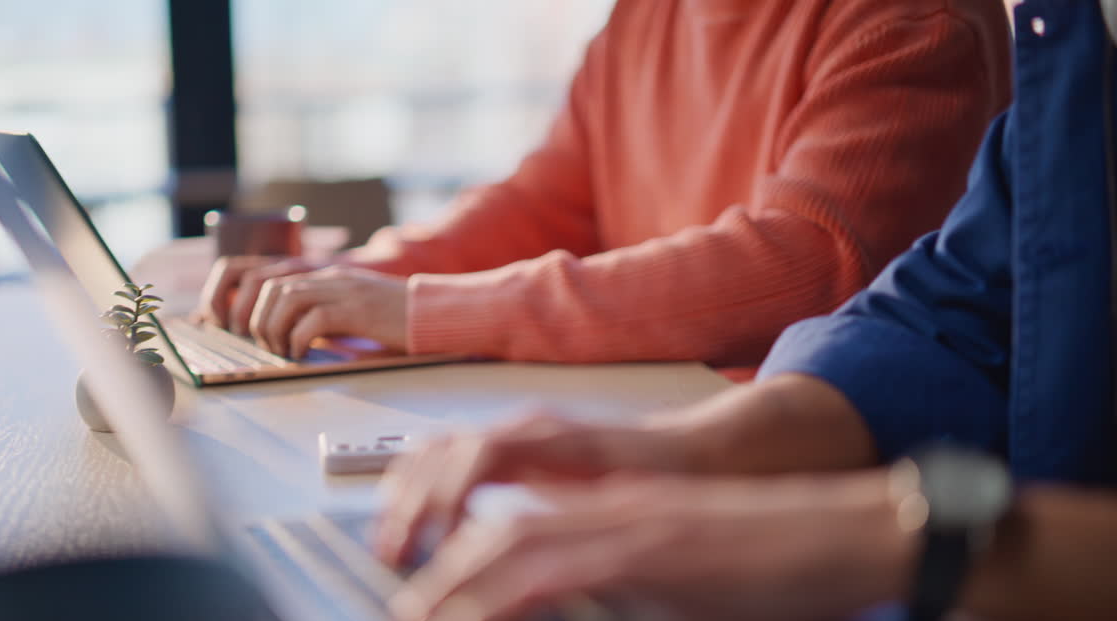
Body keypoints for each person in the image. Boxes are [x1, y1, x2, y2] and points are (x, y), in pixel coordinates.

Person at [370, 0, 1117, 621]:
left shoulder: (926, 18)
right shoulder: (1083, 33)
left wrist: (863, 534)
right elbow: (955, 311)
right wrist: (679, 451)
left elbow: (807, 260)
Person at [199, 0, 1010, 370]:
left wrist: (421, 311)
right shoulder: (642, 19)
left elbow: (802, 269)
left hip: (809, 475)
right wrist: (359, 280)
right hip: (662, 425)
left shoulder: (914, 21)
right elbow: (543, 205)